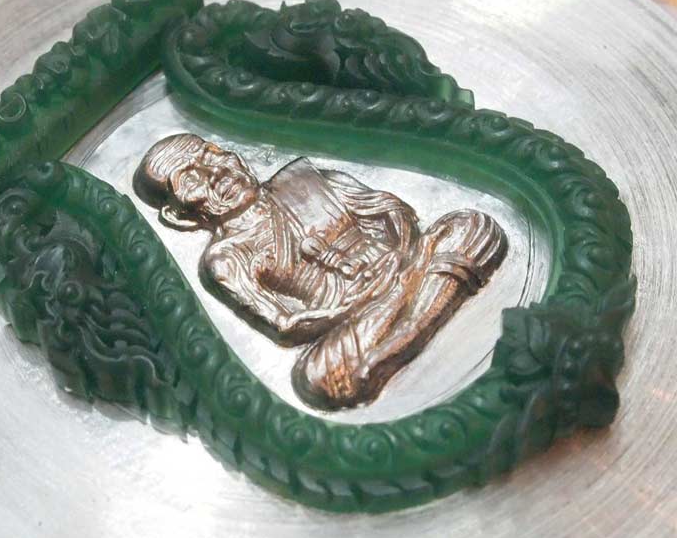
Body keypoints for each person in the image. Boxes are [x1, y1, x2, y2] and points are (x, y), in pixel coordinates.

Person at [135, 133, 507, 410]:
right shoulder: (226, 258)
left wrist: (401, 253)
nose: (216, 173)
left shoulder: (304, 179)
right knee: (319, 379)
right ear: (180, 216)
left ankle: (399, 340)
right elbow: (284, 324)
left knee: (472, 226)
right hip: (361, 317)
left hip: (398, 265)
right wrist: (353, 304)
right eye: (193, 179)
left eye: (213, 155)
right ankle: (413, 321)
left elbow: (393, 212)